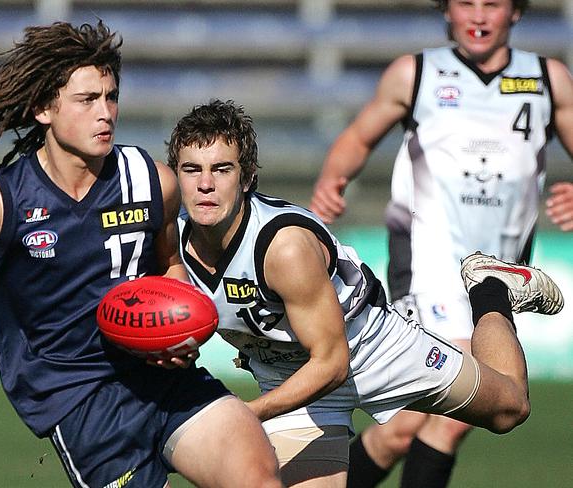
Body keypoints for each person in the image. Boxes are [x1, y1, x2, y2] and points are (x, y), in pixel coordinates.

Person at [0, 22, 284, 488]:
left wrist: (174, 328)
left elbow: (170, 263)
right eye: (87, 99)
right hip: (81, 401)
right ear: (42, 109)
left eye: (110, 97)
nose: (105, 113)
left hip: (165, 380)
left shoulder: (153, 181)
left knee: (258, 480)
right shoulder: (1, 203)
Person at [166, 99, 563, 488]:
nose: (205, 184)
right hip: (291, 376)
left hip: (370, 347)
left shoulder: (283, 247)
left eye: (222, 169)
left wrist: (241, 413)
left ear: (247, 176)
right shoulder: (169, 241)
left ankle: (491, 288)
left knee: (509, 408)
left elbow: (333, 364)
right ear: (174, 176)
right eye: (191, 169)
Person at [310, 0, 573, 486]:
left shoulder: (546, 78)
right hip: (429, 264)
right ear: (446, 11)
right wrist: (332, 181)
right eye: (464, 3)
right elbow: (359, 137)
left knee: (403, 429)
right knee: (460, 413)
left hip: (498, 278)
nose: (477, 16)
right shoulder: (416, 73)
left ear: (515, 13)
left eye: (492, 4)